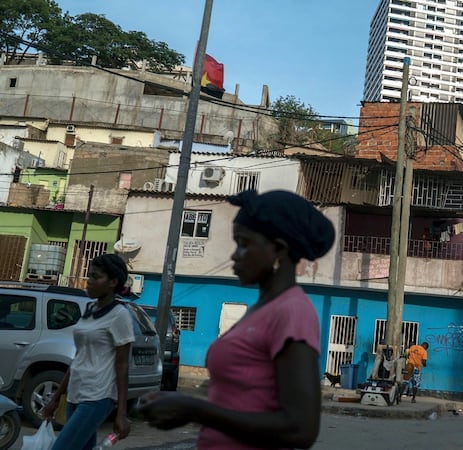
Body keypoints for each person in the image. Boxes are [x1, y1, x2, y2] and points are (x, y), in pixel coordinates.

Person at [137, 189, 335, 450]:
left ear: (278, 249)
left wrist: (195, 410)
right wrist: (181, 407)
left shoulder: (291, 312)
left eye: (244, 243)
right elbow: (240, 402)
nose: (234, 255)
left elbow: (300, 428)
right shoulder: (260, 310)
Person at [42, 254, 134, 450]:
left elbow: (122, 365)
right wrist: (57, 396)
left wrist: (121, 412)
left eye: (96, 277)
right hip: (76, 392)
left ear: (113, 282)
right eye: (89, 276)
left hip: (98, 395)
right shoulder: (89, 308)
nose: (89, 281)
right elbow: (79, 357)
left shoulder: (120, 315)